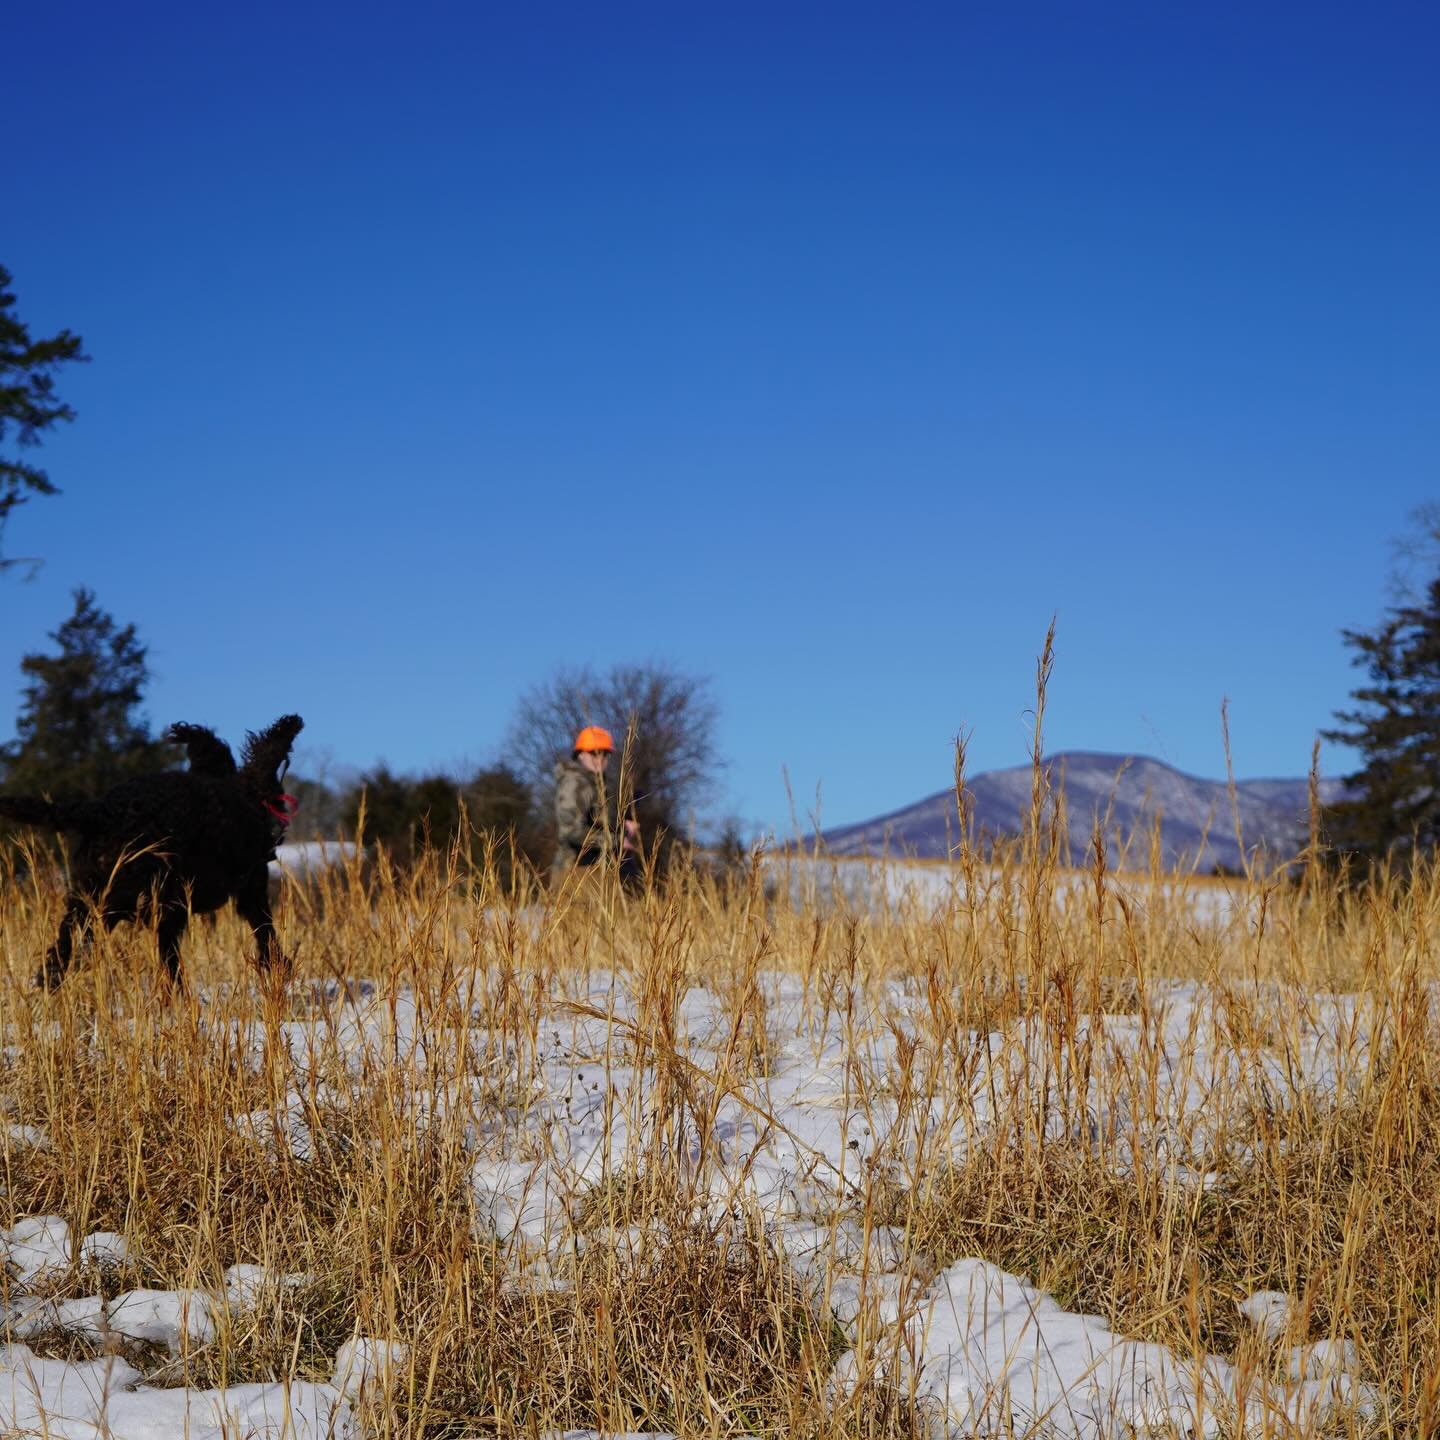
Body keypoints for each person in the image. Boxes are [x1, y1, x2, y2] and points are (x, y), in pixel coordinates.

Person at [551, 726, 641, 886]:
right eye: (594, 753)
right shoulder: (575, 783)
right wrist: (616, 841)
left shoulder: (597, 785)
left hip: (594, 871)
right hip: (575, 873)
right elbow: (571, 830)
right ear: (581, 754)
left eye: (605, 754)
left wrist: (623, 826)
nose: (600, 759)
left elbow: (597, 822)